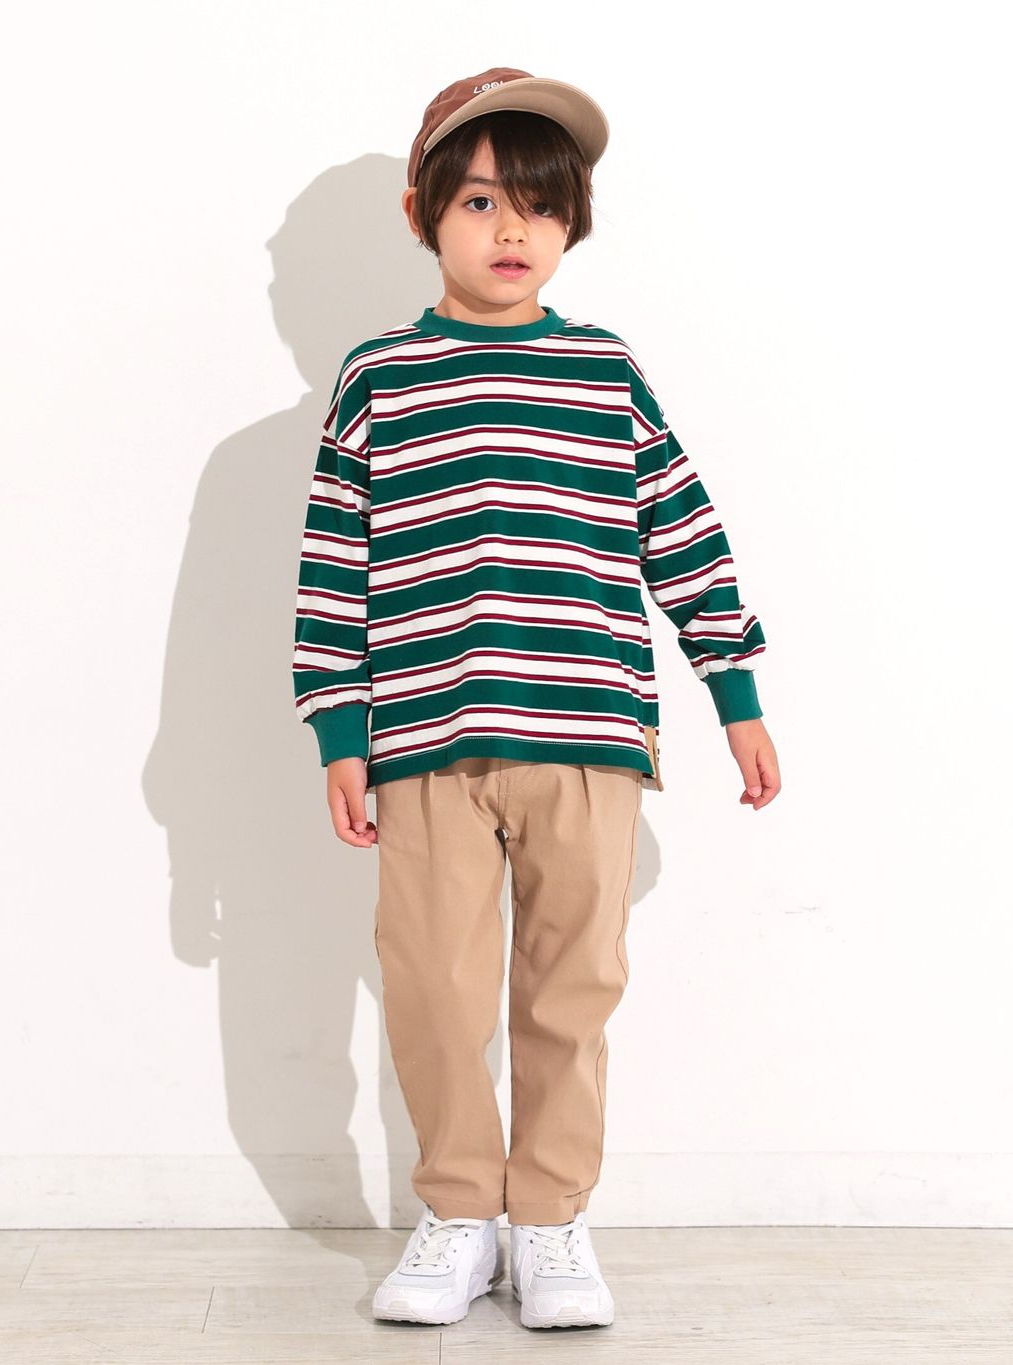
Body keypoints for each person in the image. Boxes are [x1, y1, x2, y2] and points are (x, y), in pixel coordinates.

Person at [291, 67, 781, 1331]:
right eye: (479, 201)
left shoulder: (606, 372)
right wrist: (340, 728)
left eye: (541, 206)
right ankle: (460, 1212)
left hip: (587, 738)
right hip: (424, 739)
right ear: (422, 213)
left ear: (572, 224)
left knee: (572, 989)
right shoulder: (379, 377)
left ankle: (551, 1217)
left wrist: (733, 691)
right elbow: (333, 564)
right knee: (435, 989)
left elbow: (681, 531)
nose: (512, 230)